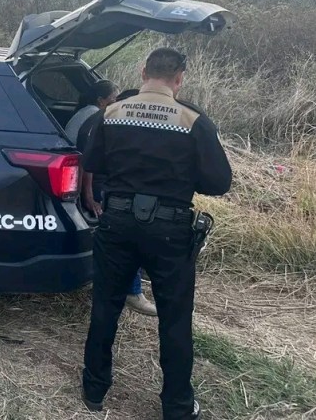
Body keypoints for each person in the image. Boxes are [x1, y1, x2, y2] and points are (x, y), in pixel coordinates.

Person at [80, 48, 232, 420]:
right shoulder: (193, 120)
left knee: (105, 307)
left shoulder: (110, 114)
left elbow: (92, 164)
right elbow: (219, 182)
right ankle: (177, 407)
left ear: (142, 71)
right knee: (175, 319)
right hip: (169, 230)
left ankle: (93, 390)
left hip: (116, 224)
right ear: (179, 79)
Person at [66, 82, 157, 317]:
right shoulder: (101, 121)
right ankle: (132, 290)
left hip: (111, 187)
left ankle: (116, 284)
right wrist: (89, 197)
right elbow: (87, 161)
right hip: (102, 189)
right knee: (132, 233)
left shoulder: (112, 119)